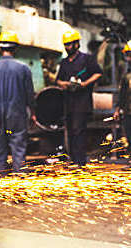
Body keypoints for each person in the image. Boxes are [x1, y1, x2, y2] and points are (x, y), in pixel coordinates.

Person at [0, 31, 36, 174]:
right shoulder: (23, 69)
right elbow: (30, 94)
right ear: (15, 48)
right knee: (18, 150)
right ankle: (19, 183)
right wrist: (34, 113)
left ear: (0, 48)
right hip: (17, 115)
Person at [56, 29, 102, 166]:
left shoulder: (87, 59)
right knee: (70, 131)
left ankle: (80, 162)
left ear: (77, 44)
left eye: (70, 44)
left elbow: (98, 73)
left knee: (78, 131)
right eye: (66, 45)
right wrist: (64, 84)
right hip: (68, 102)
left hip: (82, 102)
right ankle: (74, 160)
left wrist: (85, 83)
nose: (67, 47)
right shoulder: (64, 62)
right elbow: (58, 80)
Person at [113, 41, 131, 153]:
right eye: (127, 55)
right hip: (128, 112)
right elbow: (123, 94)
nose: (128, 59)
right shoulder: (127, 76)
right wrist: (117, 109)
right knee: (129, 137)